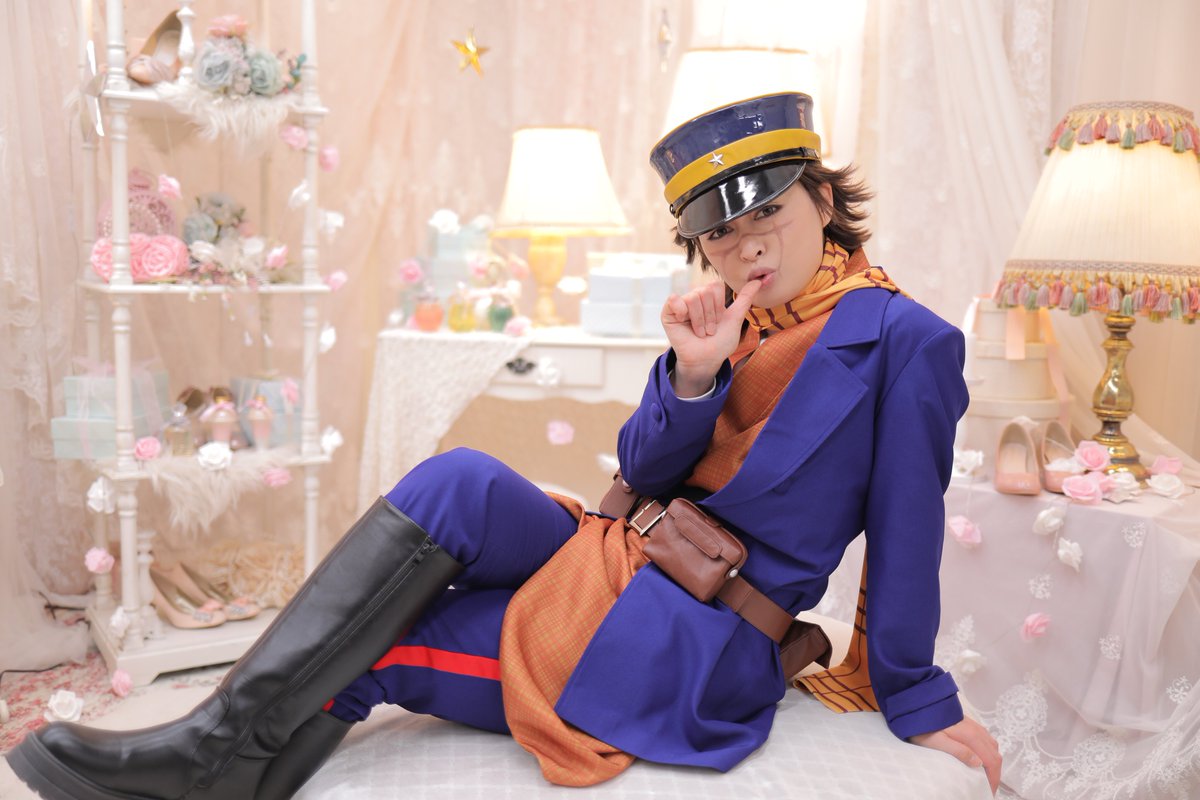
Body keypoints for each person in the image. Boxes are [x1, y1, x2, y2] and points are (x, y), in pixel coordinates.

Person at [9, 92, 1001, 800]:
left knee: (375, 644)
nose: (745, 247)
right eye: (718, 233)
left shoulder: (905, 341)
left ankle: (209, 759)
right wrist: (694, 374)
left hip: (696, 628)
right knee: (460, 479)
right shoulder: (724, 322)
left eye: (769, 213)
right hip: (613, 552)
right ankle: (213, 745)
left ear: (822, 199)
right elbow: (643, 471)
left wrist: (914, 695)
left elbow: (907, 530)